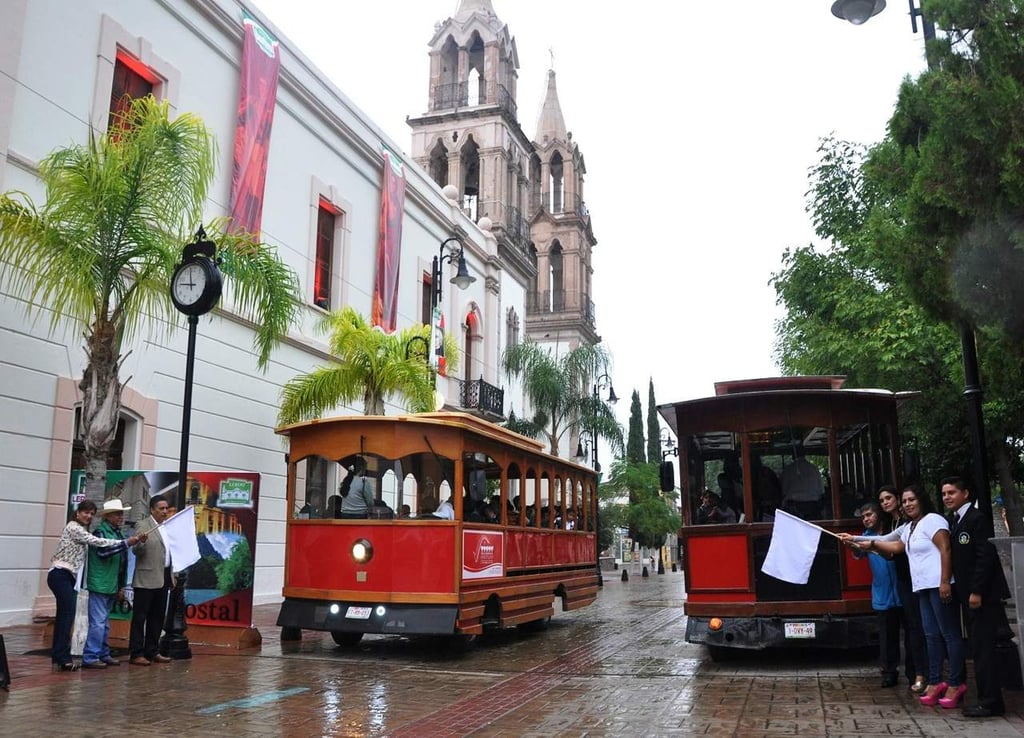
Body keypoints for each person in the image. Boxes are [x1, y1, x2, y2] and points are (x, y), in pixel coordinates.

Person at [842, 485, 966, 708]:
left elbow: (945, 548)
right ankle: (935, 681)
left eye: (912, 499)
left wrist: (945, 581)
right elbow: (890, 544)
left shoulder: (933, 520)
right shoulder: (908, 528)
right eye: (906, 501)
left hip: (939, 586)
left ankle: (956, 683)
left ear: (921, 499)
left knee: (949, 635)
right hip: (921, 589)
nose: (908, 504)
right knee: (930, 636)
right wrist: (853, 539)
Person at [943, 476, 1011, 718]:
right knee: (978, 647)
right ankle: (987, 698)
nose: (947, 497)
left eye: (952, 492)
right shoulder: (955, 521)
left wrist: (976, 591)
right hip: (966, 595)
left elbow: (984, 557)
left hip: (981, 596)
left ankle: (990, 701)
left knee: (984, 650)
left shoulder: (976, 519)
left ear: (965, 494)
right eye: (944, 494)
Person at [47, 500, 143, 672]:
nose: (88, 516)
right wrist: (127, 542)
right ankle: (71, 656)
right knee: (69, 616)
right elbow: (98, 544)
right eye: (86, 512)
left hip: (70, 576)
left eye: (91, 513)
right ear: (77, 513)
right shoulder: (75, 528)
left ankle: (63, 656)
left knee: (69, 617)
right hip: (62, 573)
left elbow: (120, 560)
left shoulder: (90, 530)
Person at [877, 485, 927, 693]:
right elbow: (885, 548)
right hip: (899, 580)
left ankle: (918, 673)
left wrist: (869, 544)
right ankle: (902, 672)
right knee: (899, 627)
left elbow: (893, 546)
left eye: (889, 498)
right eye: (881, 500)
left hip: (916, 578)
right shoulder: (889, 523)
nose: (886, 503)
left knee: (916, 628)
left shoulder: (910, 523)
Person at [853, 502, 902, 687]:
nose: (866, 519)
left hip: (903, 591)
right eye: (863, 517)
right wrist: (851, 544)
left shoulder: (894, 531)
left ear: (879, 515)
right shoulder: (864, 538)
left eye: (869, 515)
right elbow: (857, 552)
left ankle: (917, 673)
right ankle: (889, 672)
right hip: (883, 595)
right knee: (887, 637)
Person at [82, 499, 134, 669]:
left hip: (109, 583)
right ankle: (91, 656)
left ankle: (102, 654)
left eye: (121, 514)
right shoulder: (100, 533)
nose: (121, 517)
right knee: (98, 622)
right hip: (101, 583)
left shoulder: (115, 533)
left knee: (103, 622)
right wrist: (126, 543)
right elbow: (104, 552)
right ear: (109, 516)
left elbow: (121, 563)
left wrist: (120, 586)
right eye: (118, 514)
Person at [129, 495, 173, 666]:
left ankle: (152, 650)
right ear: (152, 509)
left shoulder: (167, 527)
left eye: (166, 508)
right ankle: (136, 653)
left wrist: (173, 575)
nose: (164, 512)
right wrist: (141, 543)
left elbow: (169, 553)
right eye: (161, 508)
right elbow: (137, 551)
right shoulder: (143, 525)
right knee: (140, 618)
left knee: (157, 617)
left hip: (163, 577)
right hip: (146, 578)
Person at [781, 452, 824, 519]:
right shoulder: (814, 468)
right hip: (812, 506)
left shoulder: (788, 469)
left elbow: (784, 490)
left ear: (793, 456)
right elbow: (821, 490)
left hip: (793, 507)